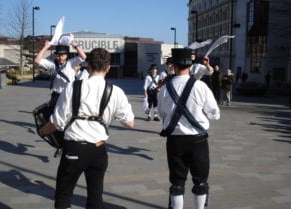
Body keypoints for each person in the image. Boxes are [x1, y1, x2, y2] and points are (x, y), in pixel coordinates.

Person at [39, 48, 135, 209]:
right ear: (108, 68)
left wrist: (42, 131)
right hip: (98, 150)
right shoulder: (116, 92)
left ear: (88, 66)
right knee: (95, 198)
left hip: (74, 148)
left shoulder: (72, 87)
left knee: (63, 196)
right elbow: (129, 123)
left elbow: (58, 122)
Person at [157, 48, 220, 209]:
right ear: (191, 66)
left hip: (175, 141)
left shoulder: (164, 88)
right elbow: (215, 114)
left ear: (173, 66)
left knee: (177, 182)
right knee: (200, 180)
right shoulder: (201, 87)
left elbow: (162, 113)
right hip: (197, 140)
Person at [34, 38, 87, 111]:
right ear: (55, 55)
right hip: (56, 95)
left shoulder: (71, 63)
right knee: (54, 115)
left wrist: (74, 45)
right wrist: (46, 47)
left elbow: (83, 57)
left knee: (69, 115)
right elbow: (37, 60)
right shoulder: (52, 64)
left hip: (69, 94)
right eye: (58, 55)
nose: (60, 58)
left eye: (62, 55)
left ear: (66, 55)